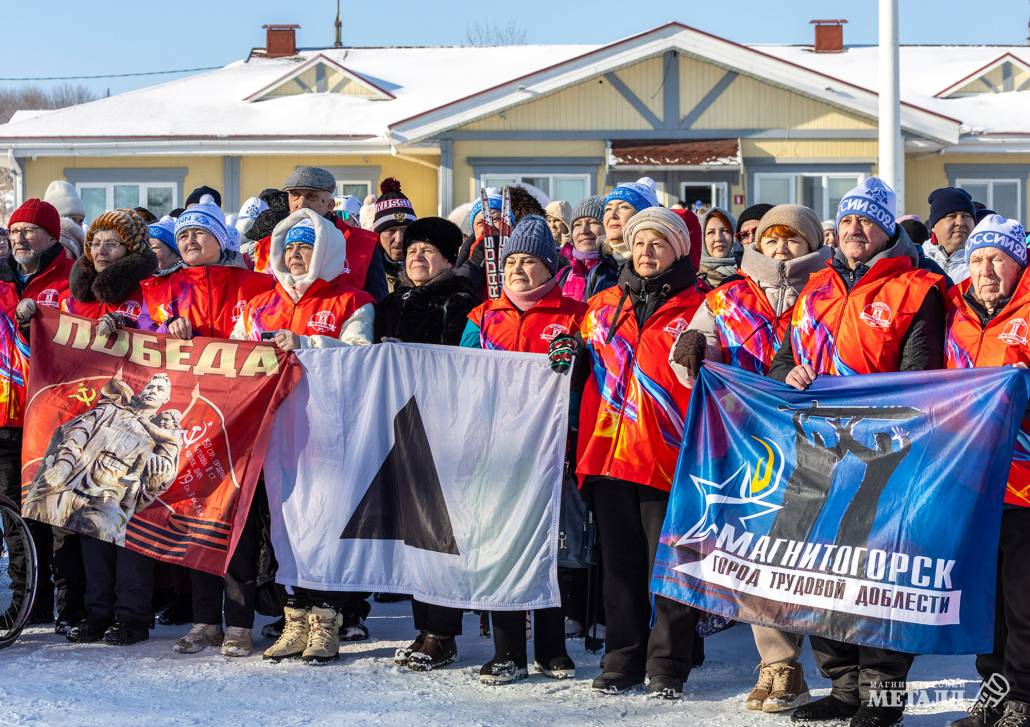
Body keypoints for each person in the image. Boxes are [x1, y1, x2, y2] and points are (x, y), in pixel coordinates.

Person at [768, 178, 946, 727]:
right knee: (819, 571)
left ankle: (884, 700)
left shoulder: (918, 288)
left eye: (866, 221)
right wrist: (788, 372)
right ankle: (843, 686)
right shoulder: (814, 285)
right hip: (817, 453)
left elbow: (920, 378)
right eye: (846, 221)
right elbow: (779, 360)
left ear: (887, 227)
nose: (854, 230)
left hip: (884, 457)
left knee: (878, 578)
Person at [670, 204, 831, 714]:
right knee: (760, 553)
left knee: (814, 555)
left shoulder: (826, 293)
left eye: (794, 241)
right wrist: (692, 347)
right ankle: (778, 664)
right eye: (773, 240)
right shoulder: (726, 298)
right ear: (757, 244)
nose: (782, 250)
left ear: (811, 247)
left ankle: (839, 666)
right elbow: (694, 356)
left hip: (817, 443)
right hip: (749, 442)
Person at [566, 207, 703, 699]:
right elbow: (579, 369)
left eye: (659, 243)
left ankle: (667, 664)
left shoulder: (701, 307)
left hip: (669, 457)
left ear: (677, 252)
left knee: (668, 568)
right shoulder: (601, 305)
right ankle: (621, 658)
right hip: (606, 455)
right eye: (641, 242)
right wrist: (564, 354)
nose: (647, 252)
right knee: (619, 568)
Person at [231, 210, 374, 665]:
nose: (295, 255)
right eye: (289, 247)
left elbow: (362, 358)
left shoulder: (353, 301)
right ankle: (295, 618)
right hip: (271, 433)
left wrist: (308, 343)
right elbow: (234, 356)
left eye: (305, 246)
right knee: (282, 528)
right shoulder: (258, 304)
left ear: (326, 251)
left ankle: (326, 621)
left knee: (323, 524)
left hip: (327, 432)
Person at [139, 195, 274, 657]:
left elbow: (267, 333)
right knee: (195, 515)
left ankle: (238, 621)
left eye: (200, 233)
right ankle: (203, 620)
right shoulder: (160, 291)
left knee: (238, 518)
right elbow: (140, 340)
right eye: (184, 235)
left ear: (221, 238)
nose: (191, 241)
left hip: (242, 420)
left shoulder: (256, 284)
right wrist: (165, 330)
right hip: (188, 421)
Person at [460, 216, 583, 684]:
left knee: (548, 549)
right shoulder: (482, 315)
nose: (518, 269)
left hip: (551, 450)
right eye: (511, 260)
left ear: (550, 267)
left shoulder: (575, 313)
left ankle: (551, 648)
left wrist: (576, 361)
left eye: (529, 260)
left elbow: (589, 378)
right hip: (496, 451)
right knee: (500, 546)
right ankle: (506, 650)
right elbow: (462, 374)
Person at [374, 217, 479, 672]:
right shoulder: (391, 302)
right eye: (412, 249)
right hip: (399, 425)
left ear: (449, 258)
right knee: (412, 532)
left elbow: (464, 364)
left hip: (444, 428)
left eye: (428, 251)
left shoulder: (460, 303)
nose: (417, 256)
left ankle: (442, 631)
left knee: (438, 531)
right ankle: (424, 625)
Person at [942, 215, 1030, 727]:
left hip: (1023, 481)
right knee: (985, 596)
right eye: (977, 258)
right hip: (971, 480)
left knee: (1023, 597)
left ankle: (1024, 693)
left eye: (997, 258)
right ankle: (993, 691)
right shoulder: (954, 307)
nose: (986, 269)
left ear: (1019, 261)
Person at [6, 198, 77, 629]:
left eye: (29, 231)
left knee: (59, 514)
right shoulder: (6, 279)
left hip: (56, 413)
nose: (20, 239)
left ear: (52, 236)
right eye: (14, 232)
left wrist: (43, 315)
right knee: (14, 513)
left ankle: (71, 606)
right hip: (9, 417)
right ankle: (28, 602)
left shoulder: (71, 278)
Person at [251, 167, 388, 301]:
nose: (301, 203)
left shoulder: (363, 243)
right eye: (295, 195)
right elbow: (260, 302)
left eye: (311, 197)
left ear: (330, 205)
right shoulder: (267, 246)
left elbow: (379, 306)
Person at [556, 196, 618, 302]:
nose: (584, 231)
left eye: (592, 223)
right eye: (577, 224)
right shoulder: (562, 275)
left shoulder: (619, 272)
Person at [922, 187, 976, 284]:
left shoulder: (983, 266)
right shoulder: (917, 261)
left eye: (966, 216)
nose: (960, 222)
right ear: (933, 225)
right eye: (951, 216)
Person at [372, 178, 417, 294]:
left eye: (405, 230)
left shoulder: (429, 267)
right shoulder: (366, 271)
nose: (399, 239)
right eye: (391, 230)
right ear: (378, 235)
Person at [600, 180, 659, 267]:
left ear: (644, 216)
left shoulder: (657, 265)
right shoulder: (598, 268)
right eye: (608, 209)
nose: (612, 215)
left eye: (623, 207)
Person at [697, 207, 740, 291]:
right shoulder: (693, 278)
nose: (718, 238)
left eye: (725, 231)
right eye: (711, 232)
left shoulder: (749, 273)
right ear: (702, 238)